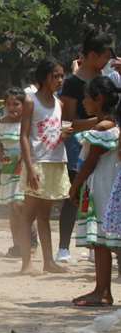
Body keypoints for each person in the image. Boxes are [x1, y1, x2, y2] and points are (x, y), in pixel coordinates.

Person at [57, 29, 114, 263]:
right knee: (75, 194)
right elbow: (68, 123)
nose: (107, 62)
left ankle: (96, 244)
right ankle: (63, 247)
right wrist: (96, 121)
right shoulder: (72, 84)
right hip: (77, 147)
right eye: (104, 56)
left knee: (102, 193)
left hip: (105, 145)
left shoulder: (106, 81)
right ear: (92, 55)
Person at [69, 77, 120, 306]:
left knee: (103, 241)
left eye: (86, 97)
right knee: (105, 241)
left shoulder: (103, 128)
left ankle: (101, 291)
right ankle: (102, 290)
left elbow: (90, 162)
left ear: (98, 99)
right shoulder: (106, 124)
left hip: (103, 185)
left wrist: (75, 185)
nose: (83, 101)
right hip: (106, 184)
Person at [16, 58, 70, 274]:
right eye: (55, 76)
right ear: (44, 77)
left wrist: (64, 135)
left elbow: (55, 132)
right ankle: (26, 263)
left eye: (61, 76)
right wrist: (29, 168)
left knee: (45, 216)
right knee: (28, 215)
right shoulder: (31, 101)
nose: (60, 80)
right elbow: (24, 136)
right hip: (37, 163)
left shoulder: (60, 104)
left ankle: (48, 262)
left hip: (55, 161)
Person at [0, 88, 38, 257]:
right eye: (8, 104)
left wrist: (24, 163)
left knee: (21, 205)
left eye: (16, 104)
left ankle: (31, 242)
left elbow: (31, 146)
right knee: (12, 208)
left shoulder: (28, 123)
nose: (12, 107)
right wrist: (0, 155)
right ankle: (17, 245)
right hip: (7, 169)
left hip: (25, 169)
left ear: (24, 105)